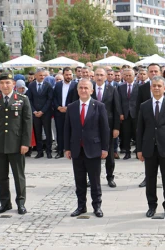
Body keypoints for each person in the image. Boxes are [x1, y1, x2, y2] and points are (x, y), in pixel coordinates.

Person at [0, 72, 32, 215]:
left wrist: (25, 143)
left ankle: (21, 203)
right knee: (2, 176)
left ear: (13, 84)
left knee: (19, 175)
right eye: (2, 83)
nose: (5, 86)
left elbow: (27, 123)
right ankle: (5, 203)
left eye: (8, 83)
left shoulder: (22, 99)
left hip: (17, 143)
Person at [136, 76, 165, 218]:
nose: (156, 88)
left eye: (159, 86)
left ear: (164, 88)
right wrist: (139, 149)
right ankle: (152, 206)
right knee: (150, 179)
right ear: (151, 88)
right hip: (149, 147)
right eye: (154, 86)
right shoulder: (144, 105)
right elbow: (140, 128)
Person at [64, 79, 109, 218]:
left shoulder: (99, 106)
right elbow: (67, 129)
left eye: (86, 88)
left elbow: (104, 129)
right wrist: (66, 148)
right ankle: (81, 206)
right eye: (81, 88)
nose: (83, 90)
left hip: (94, 149)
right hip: (77, 149)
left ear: (91, 91)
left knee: (95, 181)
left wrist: (105, 148)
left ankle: (97, 206)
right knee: (79, 181)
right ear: (77, 90)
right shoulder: (71, 107)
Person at [94, 68, 121, 188]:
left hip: (108, 127)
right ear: (94, 76)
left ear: (106, 77)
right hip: (92, 127)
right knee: (92, 153)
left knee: (109, 153)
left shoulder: (112, 89)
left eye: (101, 75)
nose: (99, 77)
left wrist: (116, 127)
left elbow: (116, 109)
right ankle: (93, 177)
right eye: (97, 75)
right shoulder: (88, 89)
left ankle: (110, 177)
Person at [27, 68, 54, 159]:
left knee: (48, 133)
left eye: (43, 75)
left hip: (45, 113)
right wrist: (34, 111)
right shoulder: (31, 85)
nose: (42, 77)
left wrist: (42, 111)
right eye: (40, 75)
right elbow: (29, 99)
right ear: (36, 76)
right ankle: (39, 152)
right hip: (35, 113)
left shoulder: (48, 85)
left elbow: (50, 100)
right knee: (37, 133)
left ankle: (48, 151)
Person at [53, 67, 77, 159]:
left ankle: (71, 151)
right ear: (63, 75)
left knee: (71, 132)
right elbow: (54, 97)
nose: (68, 76)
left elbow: (76, 99)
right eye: (66, 74)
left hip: (70, 112)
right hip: (59, 112)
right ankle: (60, 151)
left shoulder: (75, 85)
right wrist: (58, 107)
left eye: (70, 74)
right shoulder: (58, 85)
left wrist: (68, 108)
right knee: (60, 132)